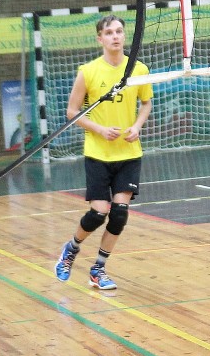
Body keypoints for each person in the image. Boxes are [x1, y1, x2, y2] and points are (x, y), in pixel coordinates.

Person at [54, 15, 153, 290]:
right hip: (98, 153)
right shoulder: (88, 71)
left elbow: (146, 103)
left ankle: (98, 269)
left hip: (129, 153)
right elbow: (72, 112)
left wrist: (137, 126)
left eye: (119, 31)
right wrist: (99, 129)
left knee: (119, 214)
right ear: (100, 39)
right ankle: (72, 248)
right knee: (98, 213)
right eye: (109, 32)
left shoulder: (139, 69)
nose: (115, 36)